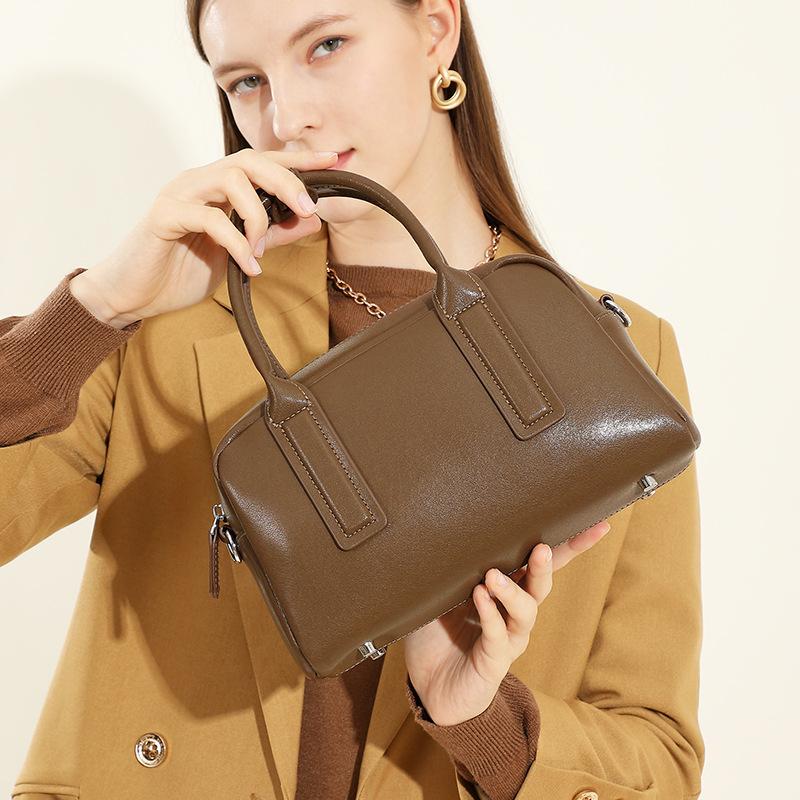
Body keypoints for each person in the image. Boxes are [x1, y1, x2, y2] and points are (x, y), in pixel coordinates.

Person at [0, 1, 704, 799]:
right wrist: (96, 308)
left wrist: (479, 719)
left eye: (326, 45)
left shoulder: (611, 352)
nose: (285, 118)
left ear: (436, 30)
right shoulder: (164, 318)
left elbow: (661, 762)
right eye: (245, 81)